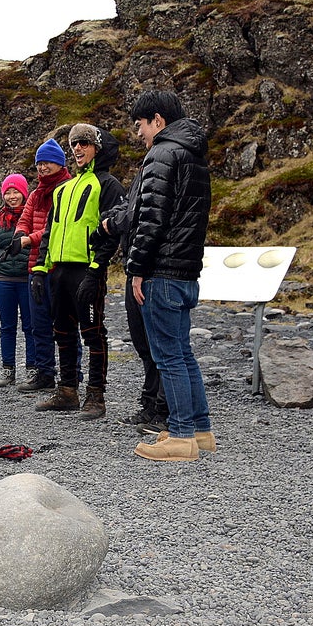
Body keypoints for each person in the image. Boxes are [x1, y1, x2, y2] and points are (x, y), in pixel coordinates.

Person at [126, 90, 214, 462]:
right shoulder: (195, 155)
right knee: (183, 352)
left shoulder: (162, 153)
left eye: (142, 125)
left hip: (161, 271)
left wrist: (136, 270)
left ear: (158, 120)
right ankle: (200, 430)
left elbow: (151, 219)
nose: (141, 134)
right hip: (187, 271)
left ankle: (180, 437)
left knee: (169, 357)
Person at [31, 123, 124, 420]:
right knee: (62, 332)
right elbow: (50, 230)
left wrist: (97, 268)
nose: (78, 149)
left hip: (87, 269)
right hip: (59, 271)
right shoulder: (63, 189)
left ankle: (96, 395)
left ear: (98, 147)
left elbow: (113, 231)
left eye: (84, 143)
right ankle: (67, 390)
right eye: (74, 144)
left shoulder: (108, 184)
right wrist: (39, 269)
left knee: (94, 334)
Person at [96, 163, 169, 435]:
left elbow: (139, 216)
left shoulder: (165, 165)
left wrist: (109, 224)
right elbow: (127, 207)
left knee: (160, 347)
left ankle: (164, 411)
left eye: (141, 125)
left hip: (152, 270)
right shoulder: (146, 169)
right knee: (143, 344)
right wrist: (115, 218)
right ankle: (150, 405)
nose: (138, 132)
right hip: (135, 266)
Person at [6, 139, 72, 393]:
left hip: (61, 266)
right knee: (39, 324)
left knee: (65, 325)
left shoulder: (68, 189)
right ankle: (45, 373)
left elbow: (54, 229)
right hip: (36, 267)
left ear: (59, 163)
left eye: (47, 162)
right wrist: (19, 234)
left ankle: (70, 376)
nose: (42, 167)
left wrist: (26, 239)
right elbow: (25, 219)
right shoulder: (35, 194)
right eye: (39, 163)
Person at [0, 174, 32, 387]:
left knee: (31, 327)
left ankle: (33, 369)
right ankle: (8, 370)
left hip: (27, 279)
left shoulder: (32, 216)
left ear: (24, 193)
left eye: (16, 192)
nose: (12, 196)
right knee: (7, 327)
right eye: (8, 192)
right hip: (4, 280)